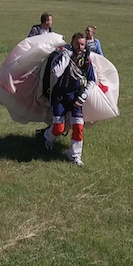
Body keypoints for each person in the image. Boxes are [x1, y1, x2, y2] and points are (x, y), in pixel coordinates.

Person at [42, 32, 96, 166]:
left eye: (82, 44)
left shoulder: (86, 60)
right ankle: (48, 138)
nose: (80, 47)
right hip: (60, 96)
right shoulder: (63, 55)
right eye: (77, 44)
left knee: (78, 127)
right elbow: (56, 73)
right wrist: (67, 57)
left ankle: (74, 155)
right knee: (58, 129)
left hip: (76, 97)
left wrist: (82, 97)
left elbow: (92, 80)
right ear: (72, 43)